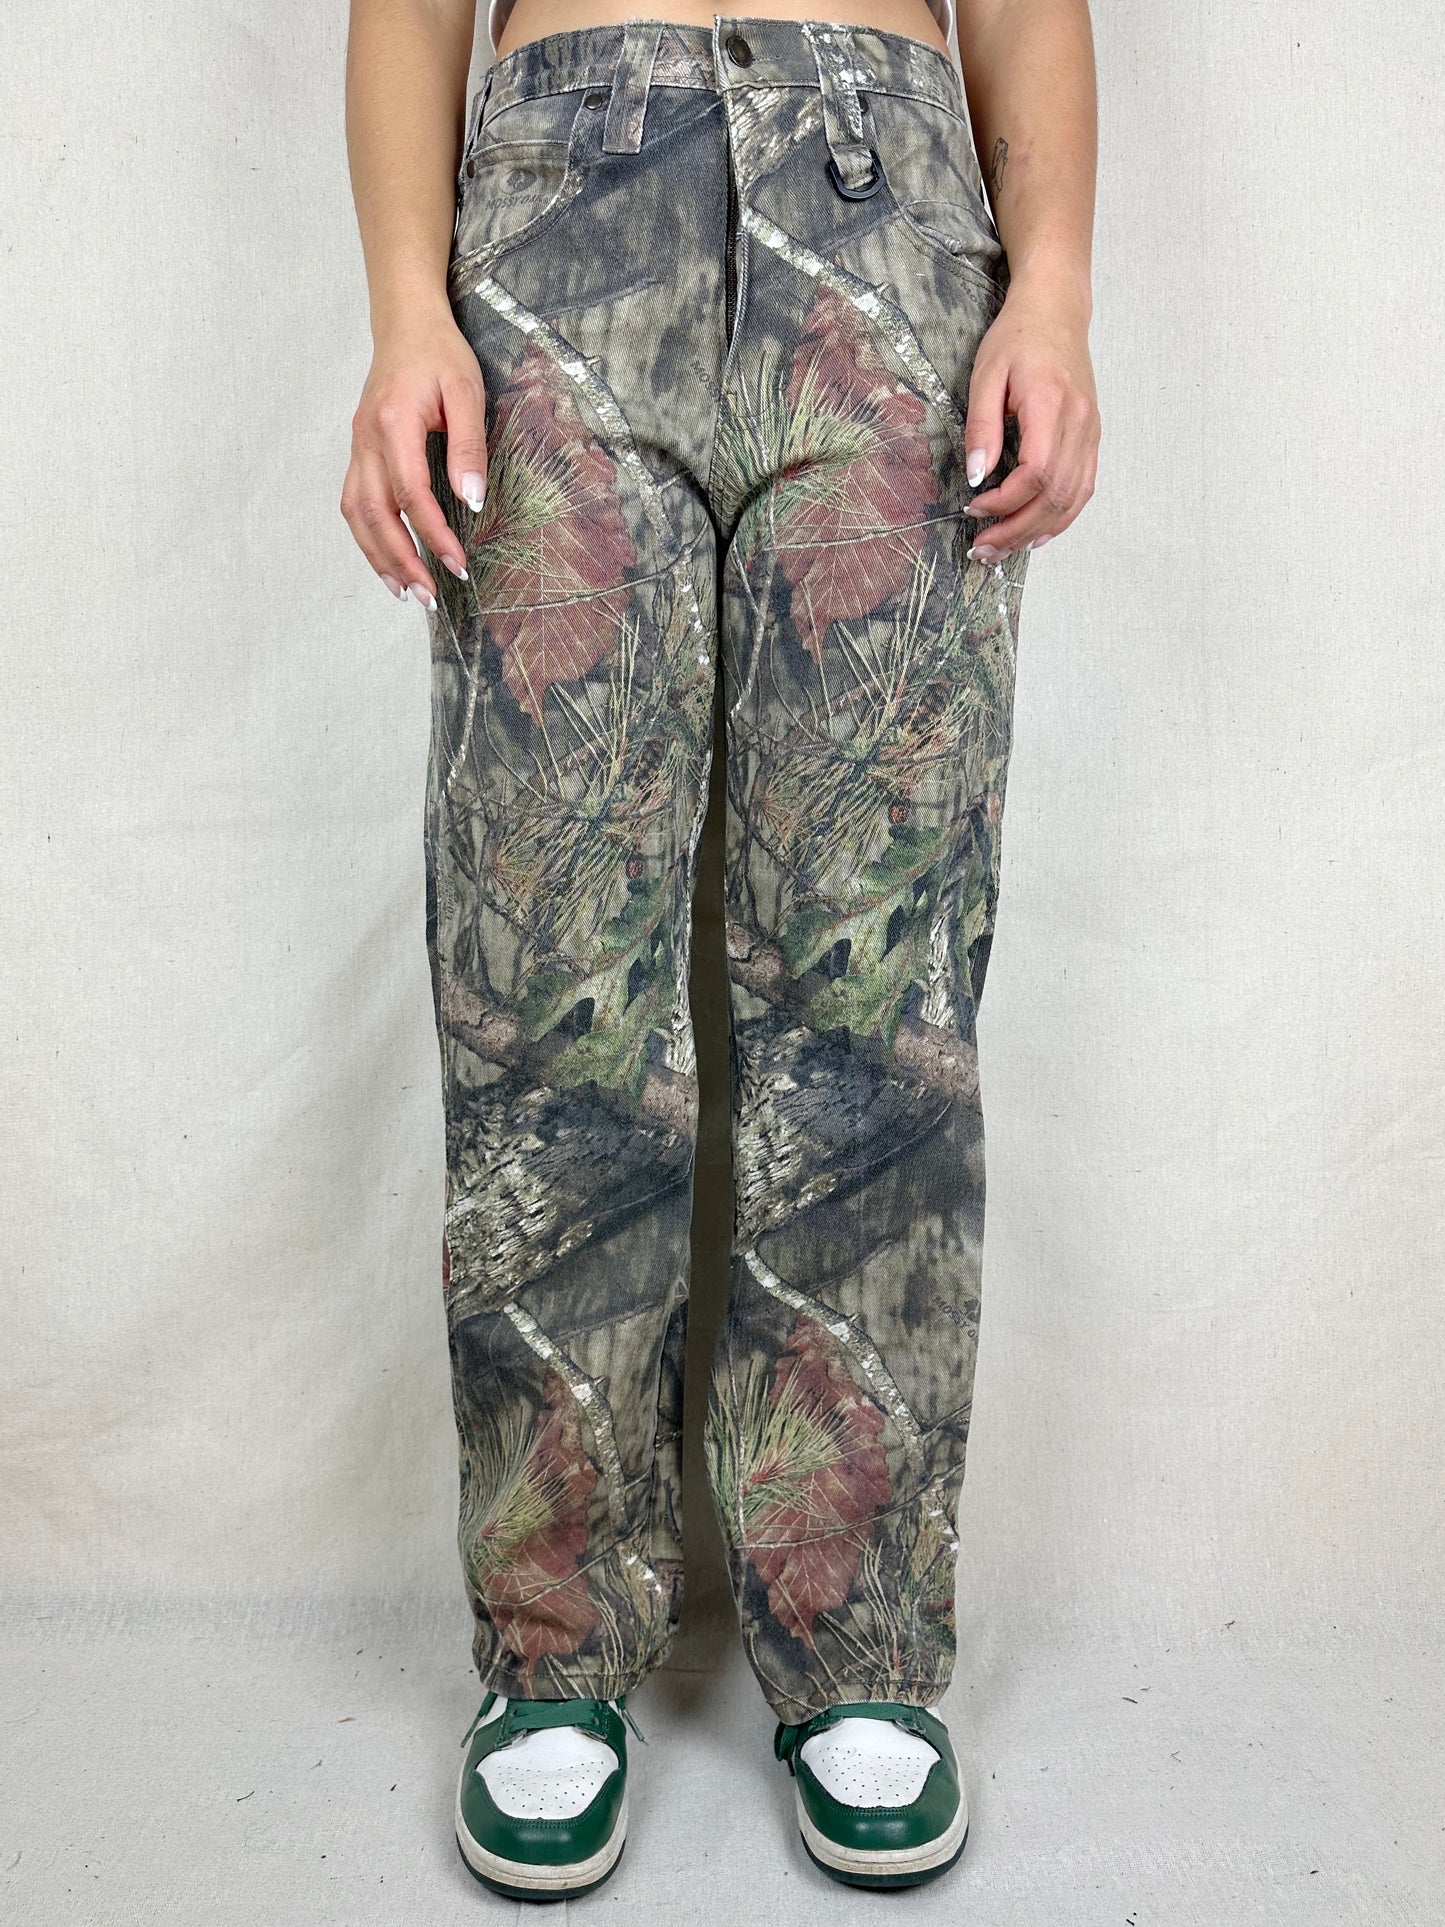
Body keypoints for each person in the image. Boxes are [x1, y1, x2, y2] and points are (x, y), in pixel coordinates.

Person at [342, 0, 1098, 1897]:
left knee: (872, 997)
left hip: (884, 208)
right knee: (546, 992)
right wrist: (407, 314)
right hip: (558, 208)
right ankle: (553, 1653)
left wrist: (1055, 292)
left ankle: (857, 1648)